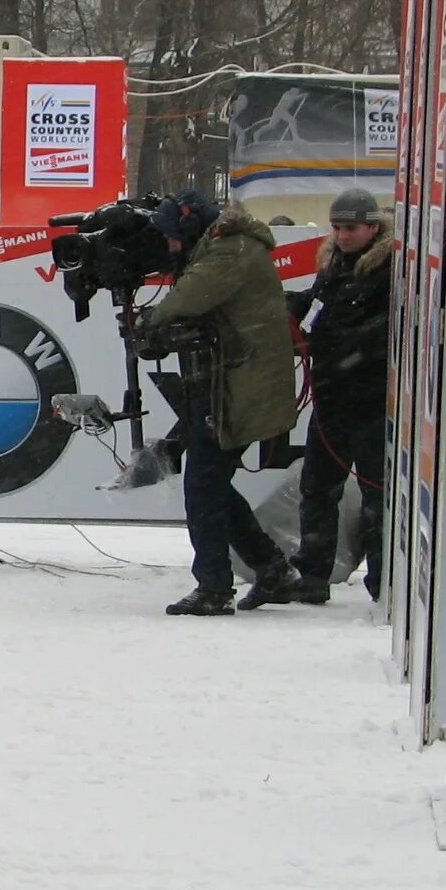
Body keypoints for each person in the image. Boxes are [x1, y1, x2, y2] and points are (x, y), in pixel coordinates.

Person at [139, 188, 300, 616]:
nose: (171, 247)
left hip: (241, 385)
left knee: (203, 483)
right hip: (234, 380)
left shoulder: (230, 251)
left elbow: (186, 299)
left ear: (191, 227)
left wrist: (149, 321)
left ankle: (214, 586)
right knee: (211, 483)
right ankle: (272, 568)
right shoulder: (226, 245)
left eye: (174, 237)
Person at [265, 188, 393, 605]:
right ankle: (313, 573)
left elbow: (385, 328)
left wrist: (334, 344)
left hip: (371, 398)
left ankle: (383, 581)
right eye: (336, 227)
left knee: (378, 494)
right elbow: (319, 301)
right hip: (331, 395)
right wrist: (291, 305)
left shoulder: (391, 267)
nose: (341, 235)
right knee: (317, 487)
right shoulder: (334, 262)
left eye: (350, 228)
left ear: (373, 227)